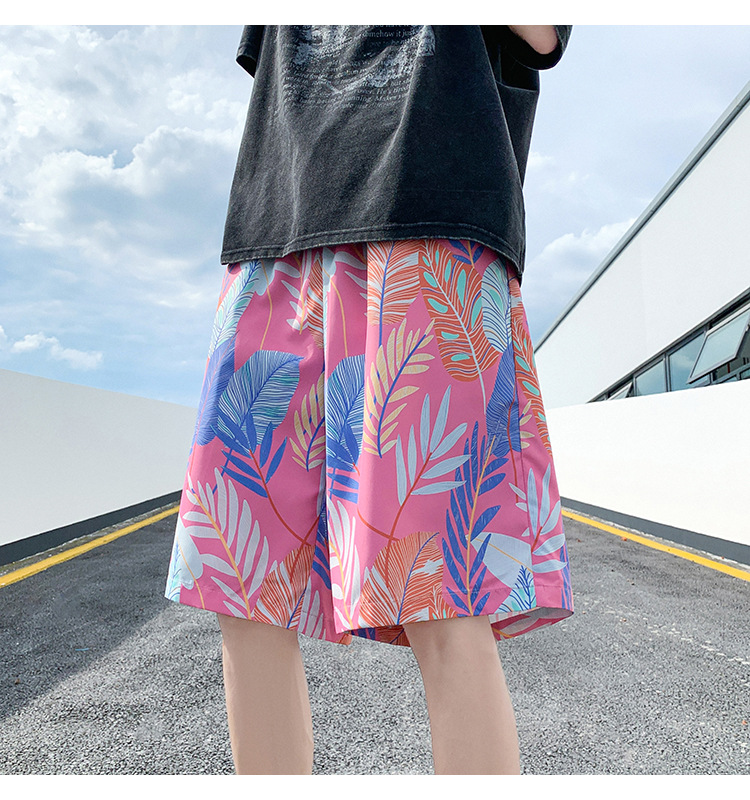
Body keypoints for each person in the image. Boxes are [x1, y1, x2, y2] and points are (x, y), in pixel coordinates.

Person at [165, 24, 574, 775]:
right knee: (241, 591)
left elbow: (541, 32)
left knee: (439, 593)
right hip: (275, 231)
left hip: (428, 212)